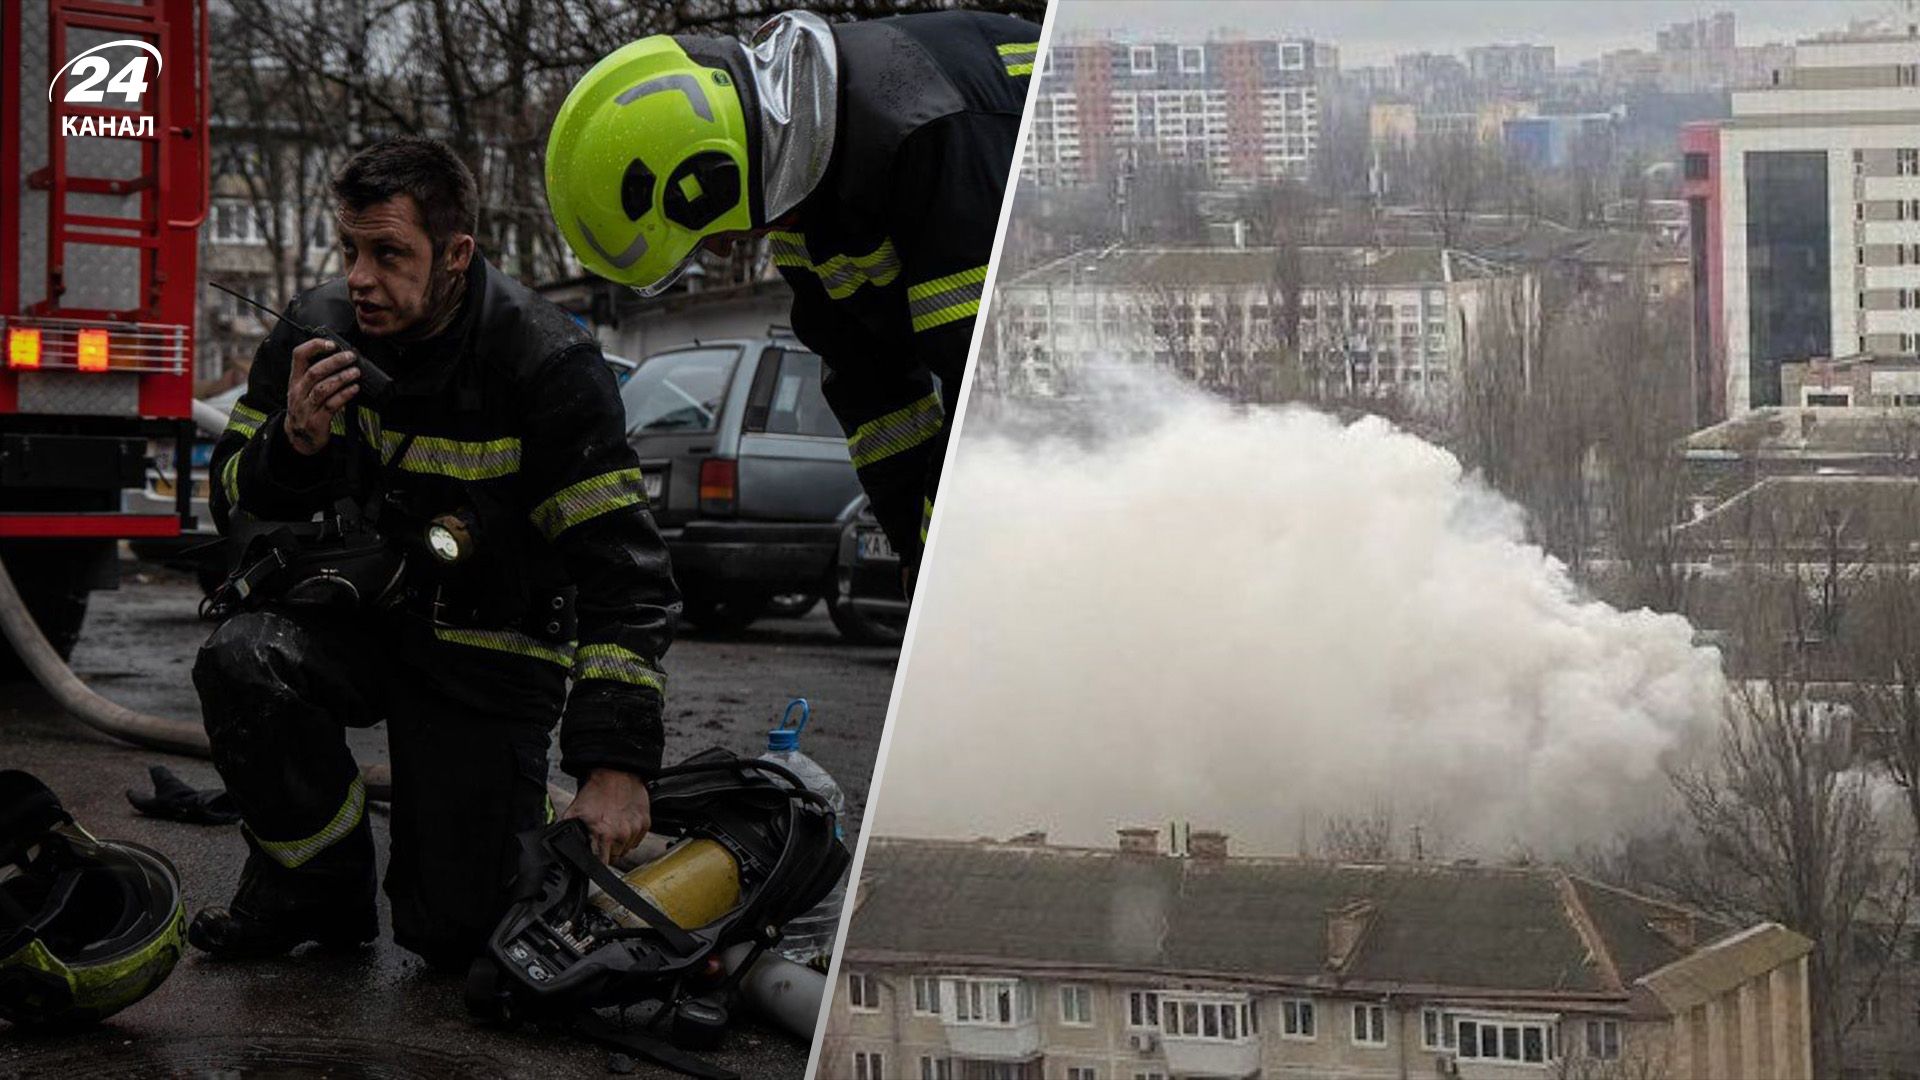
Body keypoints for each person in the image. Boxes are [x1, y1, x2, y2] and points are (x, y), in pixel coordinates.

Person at [191, 137, 679, 968]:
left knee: (458, 937)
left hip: (488, 647)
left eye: (388, 253)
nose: (358, 277)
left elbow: (624, 576)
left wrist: (616, 763)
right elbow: (231, 498)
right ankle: (312, 892)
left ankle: (461, 874)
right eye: (349, 248)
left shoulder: (543, 362)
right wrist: (291, 449)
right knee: (245, 658)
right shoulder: (313, 336)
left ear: (457, 254)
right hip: (361, 622)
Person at [545, 9, 1037, 588]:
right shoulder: (801, 208)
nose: (725, 253)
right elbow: (873, 391)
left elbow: (991, 390)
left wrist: (948, 560)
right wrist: (911, 542)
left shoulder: (923, 133)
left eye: (707, 237)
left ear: (710, 178)